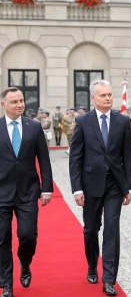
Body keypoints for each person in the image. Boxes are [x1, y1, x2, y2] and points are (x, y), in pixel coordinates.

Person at [69, 79, 131, 296]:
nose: (108, 98)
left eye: (109, 94)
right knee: (90, 229)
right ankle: (91, 265)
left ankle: (109, 279)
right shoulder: (83, 121)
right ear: (93, 98)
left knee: (112, 229)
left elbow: (128, 156)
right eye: (103, 95)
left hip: (115, 185)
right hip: (90, 185)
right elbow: (76, 157)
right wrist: (77, 188)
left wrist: (128, 187)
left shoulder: (122, 121)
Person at [0, 87, 53, 297]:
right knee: (2, 238)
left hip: (28, 191)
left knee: (28, 235)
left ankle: (25, 262)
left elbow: (44, 161)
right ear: (3, 104)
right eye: (14, 102)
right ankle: (6, 284)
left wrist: (46, 189)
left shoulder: (34, 127)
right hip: (1, 192)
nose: (20, 105)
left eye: (21, 100)